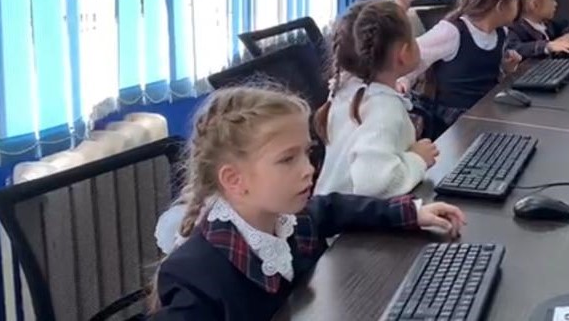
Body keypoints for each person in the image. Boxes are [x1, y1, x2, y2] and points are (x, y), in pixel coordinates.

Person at [149, 87, 465, 320]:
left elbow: (334, 208)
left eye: (307, 152)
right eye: (287, 159)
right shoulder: (195, 275)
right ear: (234, 180)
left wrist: (411, 212)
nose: (309, 169)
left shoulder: (292, 220)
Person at [313, 0, 438, 197]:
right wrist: (417, 159)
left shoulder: (347, 88)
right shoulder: (383, 108)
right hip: (352, 216)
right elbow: (374, 184)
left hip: (329, 209)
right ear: (403, 54)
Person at [400, 0, 523, 136]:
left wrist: (505, 69)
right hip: (450, 123)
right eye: (515, 0)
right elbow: (413, 56)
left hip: (483, 114)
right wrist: (404, 80)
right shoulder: (452, 32)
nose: (518, 5)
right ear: (500, 6)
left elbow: (484, 75)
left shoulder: (501, 33)